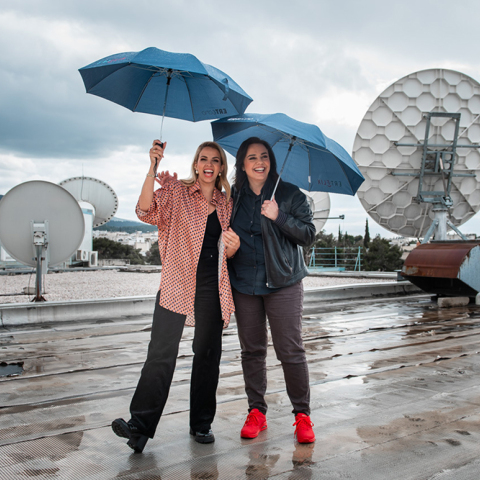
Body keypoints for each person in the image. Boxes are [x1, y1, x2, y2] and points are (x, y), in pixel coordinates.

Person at [112, 140, 240, 453]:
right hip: (176, 282)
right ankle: (139, 428)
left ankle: (201, 424)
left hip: (212, 286)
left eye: (215, 160)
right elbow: (144, 211)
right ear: (195, 164)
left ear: (221, 168)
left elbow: (228, 250)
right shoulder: (177, 191)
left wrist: (233, 248)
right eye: (203, 159)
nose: (209, 165)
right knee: (160, 353)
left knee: (207, 355)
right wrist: (152, 168)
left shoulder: (226, 203)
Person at [228, 136, 316, 444]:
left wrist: (280, 216)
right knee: (252, 351)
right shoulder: (233, 196)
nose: (259, 162)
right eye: (252, 157)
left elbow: (308, 235)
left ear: (272, 161)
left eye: (264, 156)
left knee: (290, 350)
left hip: (283, 282)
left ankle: (302, 415)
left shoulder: (290, 194)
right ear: (242, 164)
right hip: (244, 283)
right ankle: (256, 412)